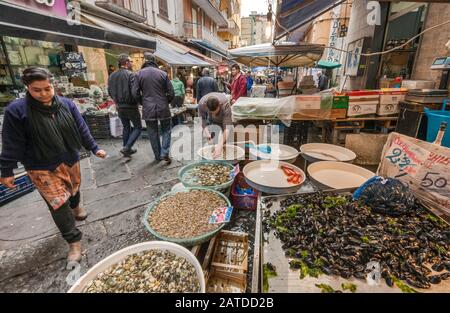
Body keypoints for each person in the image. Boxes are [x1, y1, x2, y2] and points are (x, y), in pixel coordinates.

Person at [0, 67, 106, 263]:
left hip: (69, 158)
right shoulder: (17, 111)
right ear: (27, 88)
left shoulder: (67, 104)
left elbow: (81, 128)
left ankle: (76, 207)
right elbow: (11, 142)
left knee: (73, 190)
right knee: (58, 203)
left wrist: (94, 147)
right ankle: (73, 242)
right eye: (36, 90)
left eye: (47, 88)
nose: (43, 94)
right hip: (40, 166)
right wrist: (6, 170)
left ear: (53, 85)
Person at [132, 52, 174, 164]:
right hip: (163, 107)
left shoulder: (138, 74)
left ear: (144, 61)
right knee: (166, 130)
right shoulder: (163, 74)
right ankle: (164, 152)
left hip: (148, 108)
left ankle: (157, 156)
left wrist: (143, 102)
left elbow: (135, 93)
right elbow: (171, 92)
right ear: (154, 61)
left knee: (152, 132)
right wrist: (166, 101)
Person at [108, 54, 142, 157]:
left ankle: (126, 149)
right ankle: (127, 147)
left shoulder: (112, 76)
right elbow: (135, 91)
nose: (132, 63)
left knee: (126, 126)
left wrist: (116, 101)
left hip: (119, 106)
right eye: (131, 61)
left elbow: (109, 91)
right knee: (137, 127)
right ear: (126, 62)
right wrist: (140, 101)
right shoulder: (130, 74)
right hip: (130, 106)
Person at [198, 92, 232, 159]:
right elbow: (201, 119)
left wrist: (220, 145)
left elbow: (227, 128)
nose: (214, 114)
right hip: (210, 120)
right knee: (212, 138)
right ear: (206, 106)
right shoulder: (202, 104)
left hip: (222, 118)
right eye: (211, 112)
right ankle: (214, 153)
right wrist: (206, 132)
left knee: (224, 140)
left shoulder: (225, 104)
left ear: (219, 104)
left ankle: (222, 152)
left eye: (215, 112)